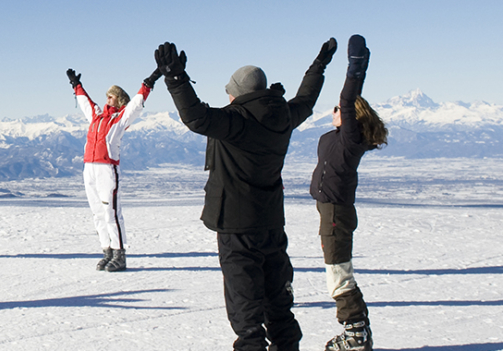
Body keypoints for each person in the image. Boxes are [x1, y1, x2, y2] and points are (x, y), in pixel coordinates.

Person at [154, 38, 336, 351]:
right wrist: (318, 66)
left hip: (237, 229)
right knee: (278, 305)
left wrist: (175, 78)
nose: (227, 94)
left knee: (246, 313)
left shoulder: (238, 121)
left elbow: (196, 117)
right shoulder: (282, 116)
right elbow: (306, 100)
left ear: (238, 91)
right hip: (271, 225)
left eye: (230, 90)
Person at [310, 35, 387, 351]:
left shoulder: (350, 140)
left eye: (339, 109)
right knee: (337, 272)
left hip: (336, 213)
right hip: (331, 211)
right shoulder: (337, 136)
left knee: (338, 275)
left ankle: (356, 334)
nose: (335, 110)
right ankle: (358, 332)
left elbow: (346, 99)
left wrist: (356, 69)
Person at [66, 67, 160, 272]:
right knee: (97, 212)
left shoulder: (119, 120)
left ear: (119, 100)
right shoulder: (96, 117)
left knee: (111, 212)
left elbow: (136, 105)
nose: (107, 99)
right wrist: (76, 85)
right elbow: (85, 103)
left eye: (112, 96)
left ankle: (119, 253)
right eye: (107, 96)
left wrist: (149, 82)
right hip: (89, 168)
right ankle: (106, 250)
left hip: (107, 169)